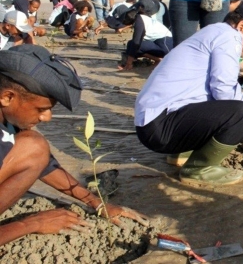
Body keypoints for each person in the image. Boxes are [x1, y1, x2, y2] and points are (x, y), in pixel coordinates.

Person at [0, 45, 148, 246]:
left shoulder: (8, 118)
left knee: (34, 145)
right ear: (7, 97)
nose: (47, 117)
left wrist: (97, 203)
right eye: (41, 109)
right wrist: (32, 224)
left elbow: (41, 162)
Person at [135, 0, 243, 186]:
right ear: (242, 26)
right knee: (240, 113)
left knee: (234, 108)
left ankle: (180, 153)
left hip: (154, 123)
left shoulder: (213, 31)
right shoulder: (229, 36)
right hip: (161, 126)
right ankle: (198, 169)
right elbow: (223, 87)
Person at [119, 0, 173, 71]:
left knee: (134, 45)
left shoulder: (139, 20)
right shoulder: (142, 18)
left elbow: (136, 42)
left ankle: (160, 60)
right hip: (163, 43)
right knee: (131, 44)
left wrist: (128, 63)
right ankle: (158, 59)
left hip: (166, 45)